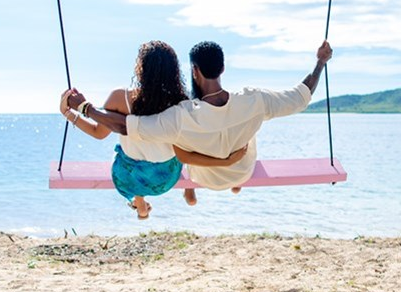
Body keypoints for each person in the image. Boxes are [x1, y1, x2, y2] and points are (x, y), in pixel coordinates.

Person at [61, 40, 333, 205]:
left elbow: (126, 126)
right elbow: (301, 97)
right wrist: (320, 62)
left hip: (206, 177)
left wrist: (84, 108)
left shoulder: (182, 116)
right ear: (222, 68)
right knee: (249, 127)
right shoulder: (254, 100)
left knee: (183, 147)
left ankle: (188, 192)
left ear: (194, 70)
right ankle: (233, 181)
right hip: (242, 170)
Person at [59, 40, 248, 218]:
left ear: (141, 69)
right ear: (174, 70)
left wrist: (68, 113)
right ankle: (188, 187)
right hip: (166, 178)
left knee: (125, 154)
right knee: (183, 144)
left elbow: (98, 133)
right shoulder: (182, 102)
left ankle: (139, 200)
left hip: (129, 178)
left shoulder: (120, 97)